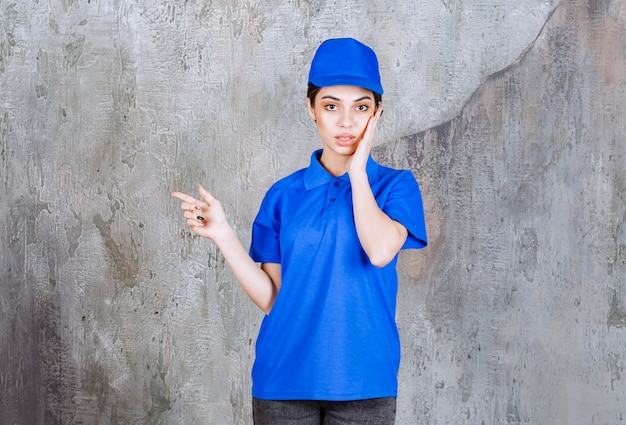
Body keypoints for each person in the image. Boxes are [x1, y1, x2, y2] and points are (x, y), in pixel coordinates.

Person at [172, 37, 427, 425]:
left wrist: (357, 172)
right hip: (283, 384)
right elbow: (272, 298)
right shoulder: (283, 195)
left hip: (364, 384)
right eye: (331, 106)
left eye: (361, 107)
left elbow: (379, 251)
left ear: (377, 112)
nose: (346, 122)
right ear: (311, 109)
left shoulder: (396, 187)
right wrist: (223, 234)